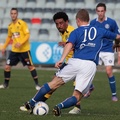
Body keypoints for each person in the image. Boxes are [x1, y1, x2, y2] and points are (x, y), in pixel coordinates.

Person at [20, 9, 120, 116]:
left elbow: (69, 44)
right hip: (89, 65)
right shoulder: (99, 30)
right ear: (89, 20)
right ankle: (59, 107)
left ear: (77, 20)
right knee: (77, 95)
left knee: (53, 84)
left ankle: (31, 103)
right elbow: (118, 36)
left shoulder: (75, 31)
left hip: (75, 62)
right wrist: (117, 44)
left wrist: (61, 59)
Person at [85, 3, 119, 101]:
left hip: (108, 49)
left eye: (102, 11)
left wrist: (116, 44)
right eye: (98, 11)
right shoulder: (93, 23)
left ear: (105, 11)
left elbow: (117, 35)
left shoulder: (111, 22)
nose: (100, 13)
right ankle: (90, 87)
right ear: (96, 11)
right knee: (89, 70)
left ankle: (114, 95)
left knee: (108, 72)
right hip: (96, 50)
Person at [0, 8, 40, 90]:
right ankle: (5, 84)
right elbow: (9, 37)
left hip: (24, 50)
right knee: (7, 67)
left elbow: (27, 35)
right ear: (10, 14)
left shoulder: (22, 23)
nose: (13, 15)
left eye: (15, 13)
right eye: (12, 13)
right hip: (14, 51)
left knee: (31, 67)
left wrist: (20, 43)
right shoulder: (10, 26)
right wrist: (4, 47)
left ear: (17, 14)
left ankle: (37, 85)